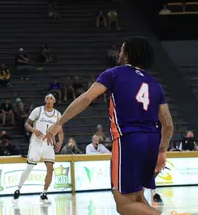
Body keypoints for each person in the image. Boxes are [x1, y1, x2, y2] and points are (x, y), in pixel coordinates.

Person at [45, 36, 176, 215]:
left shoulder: (114, 74)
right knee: (137, 197)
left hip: (129, 140)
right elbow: (168, 125)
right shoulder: (155, 84)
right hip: (152, 142)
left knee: (123, 204)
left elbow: (86, 98)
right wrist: (162, 150)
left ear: (128, 55)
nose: (120, 53)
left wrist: (59, 122)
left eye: (122, 50)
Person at [13, 94, 63, 205]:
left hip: (49, 143)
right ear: (45, 101)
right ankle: (18, 189)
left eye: (51, 99)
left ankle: (44, 194)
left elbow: (60, 131)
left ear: (54, 101)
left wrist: (60, 142)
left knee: (50, 169)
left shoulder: (58, 114)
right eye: (47, 98)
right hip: (36, 142)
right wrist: (33, 130)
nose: (49, 100)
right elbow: (26, 124)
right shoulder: (38, 110)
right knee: (30, 167)